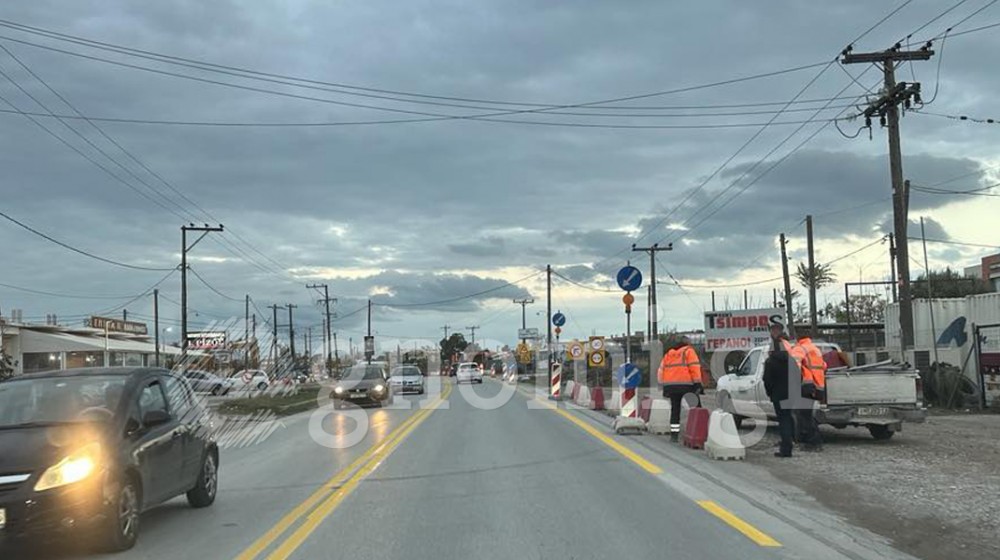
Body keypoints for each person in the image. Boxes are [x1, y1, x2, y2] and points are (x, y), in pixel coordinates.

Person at [657, 336, 703, 442]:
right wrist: (697, 384)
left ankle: (674, 435)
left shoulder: (669, 354)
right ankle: (698, 432)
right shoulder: (688, 351)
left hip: (671, 386)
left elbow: (661, 370)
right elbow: (694, 368)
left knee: (675, 409)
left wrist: (662, 384)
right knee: (696, 409)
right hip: (687, 385)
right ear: (687, 343)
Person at [764, 324, 795, 458]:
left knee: (783, 420)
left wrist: (770, 393)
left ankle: (785, 448)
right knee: (788, 418)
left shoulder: (771, 362)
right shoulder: (791, 360)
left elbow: (767, 380)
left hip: (778, 394)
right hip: (791, 393)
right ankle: (790, 443)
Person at [791, 334, 826, 451]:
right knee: (806, 414)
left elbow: (794, 366)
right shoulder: (815, 349)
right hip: (818, 385)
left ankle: (814, 442)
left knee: (804, 415)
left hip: (806, 384)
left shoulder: (799, 348)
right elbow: (824, 365)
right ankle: (809, 441)